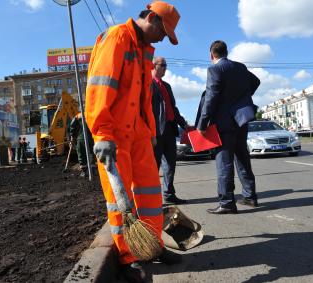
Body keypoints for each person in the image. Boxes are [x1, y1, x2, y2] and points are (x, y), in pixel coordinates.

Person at [84, 2, 182, 282]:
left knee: (151, 196)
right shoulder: (116, 38)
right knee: (119, 202)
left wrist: (150, 132)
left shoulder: (142, 51)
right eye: (164, 31)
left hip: (138, 135)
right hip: (114, 137)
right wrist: (101, 133)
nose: (164, 38)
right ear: (151, 18)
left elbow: (142, 99)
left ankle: (152, 247)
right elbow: (99, 87)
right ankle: (128, 258)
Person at [197, 40, 260, 215]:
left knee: (224, 162)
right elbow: (256, 81)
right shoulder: (240, 67)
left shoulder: (215, 69)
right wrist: (243, 98)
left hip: (223, 123)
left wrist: (202, 124)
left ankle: (226, 202)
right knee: (242, 158)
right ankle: (250, 197)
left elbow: (211, 97)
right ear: (226, 52)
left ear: (212, 55)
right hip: (241, 120)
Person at [151, 56, 190, 205]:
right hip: (155, 131)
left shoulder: (166, 86)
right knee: (154, 166)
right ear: (154, 66)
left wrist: (183, 124)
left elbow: (173, 108)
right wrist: (149, 131)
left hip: (169, 129)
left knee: (170, 164)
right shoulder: (147, 84)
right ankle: (152, 199)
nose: (166, 67)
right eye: (163, 65)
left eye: (166, 65)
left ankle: (169, 194)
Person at [69, 112, 94, 177]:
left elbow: (72, 127)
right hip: (92, 138)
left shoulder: (78, 116)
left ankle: (84, 172)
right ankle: (93, 170)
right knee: (91, 154)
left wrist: (72, 137)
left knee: (82, 155)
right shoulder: (92, 113)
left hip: (80, 139)